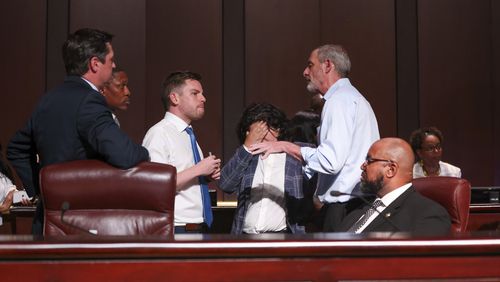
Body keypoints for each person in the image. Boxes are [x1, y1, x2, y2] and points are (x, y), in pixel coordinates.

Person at [7, 28, 149, 234]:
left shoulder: (47, 100)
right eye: (111, 59)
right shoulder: (90, 101)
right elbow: (123, 154)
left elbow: (16, 149)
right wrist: (146, 153)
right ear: (94, 64)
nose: (114, 64)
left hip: (46, 220)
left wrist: (42, 189)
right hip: (81, 222)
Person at [250, 44, 380, 231]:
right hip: (355, 204)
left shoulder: (338, 101)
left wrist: (286, 147)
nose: (305, 72)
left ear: (328, 65)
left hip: (344, 208)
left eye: (310, 65)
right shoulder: (354, 98)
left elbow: (330, 160)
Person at [142, 71, 221, 234]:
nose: (203, 98)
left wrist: (204, 176)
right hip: (177, 228)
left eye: (202, 94)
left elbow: (181, 176)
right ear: (174, 98)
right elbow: (156, 186)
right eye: (195, 93)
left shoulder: (187, 134)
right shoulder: (159, 134)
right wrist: (199, 169)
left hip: (198, 227)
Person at [219, 103, 310, 234]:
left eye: (261, 129)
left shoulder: (295, 154)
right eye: (253, 132)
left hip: (283, 236)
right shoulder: (247, 157)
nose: (258, 135)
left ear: (277, 129)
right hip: (246, 236)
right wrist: (247, 147)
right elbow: (225, 184)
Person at [334, 138, 451, 236]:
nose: (362, 166)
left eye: (369, 160)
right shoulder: (360, 207)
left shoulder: (428, 214)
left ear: (391, 169)